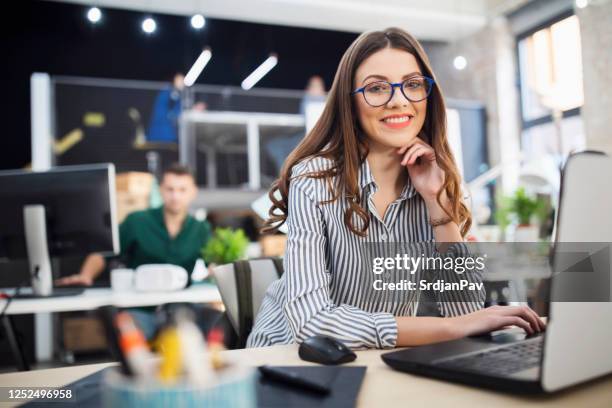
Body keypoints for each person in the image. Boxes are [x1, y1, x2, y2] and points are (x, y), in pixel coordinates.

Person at [247, 27, 545, 349]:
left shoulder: (436, 181)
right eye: (377, 88)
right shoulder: (314, 180)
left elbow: (465, 311)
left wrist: (437, 204)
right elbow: (311, 323)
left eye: (413, 84)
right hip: (286, 357)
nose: (399, 101)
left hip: (372, 357)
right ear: (350, 102)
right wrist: (447, 328)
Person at [57, 164, 217, 339]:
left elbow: (215, 265)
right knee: (131, 343)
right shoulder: (138, 221)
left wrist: (218, 271)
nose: (175, 196)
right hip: (140, 307)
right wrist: (85, 275)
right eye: (170, 189)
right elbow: (103, 251)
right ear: (160, 190)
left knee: (199, 334)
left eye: (182, 190)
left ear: (193, 192)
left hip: (181, 310)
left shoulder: (201, 229)